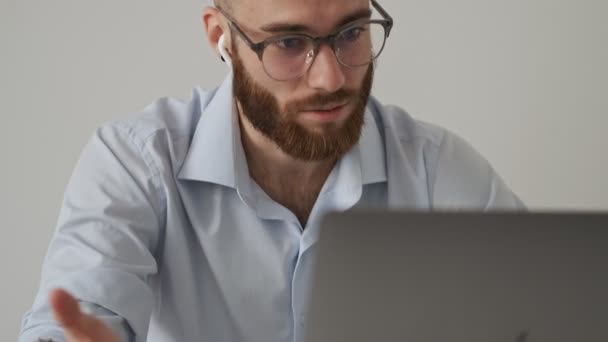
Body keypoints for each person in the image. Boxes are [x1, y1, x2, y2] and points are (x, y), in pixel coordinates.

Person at [19, 0, 524, 341]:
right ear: (221, 37)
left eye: (351, 33)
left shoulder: (437, 169)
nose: (330, 78)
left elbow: (540, 318)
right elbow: (73, 320)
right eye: (288, 43)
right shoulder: (138, 163)